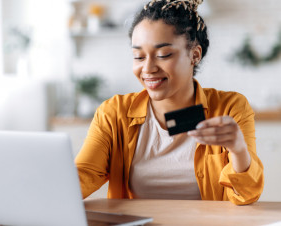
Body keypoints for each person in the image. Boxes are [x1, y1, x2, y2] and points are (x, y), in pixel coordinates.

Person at [75, 0, 264, 205]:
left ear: (195, 55)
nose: (148, 68)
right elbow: (83, 175)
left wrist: (238, 150)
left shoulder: (229, 108)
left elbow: (247, 195)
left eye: (163, 55)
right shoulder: (113, 113)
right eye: (138, 56)